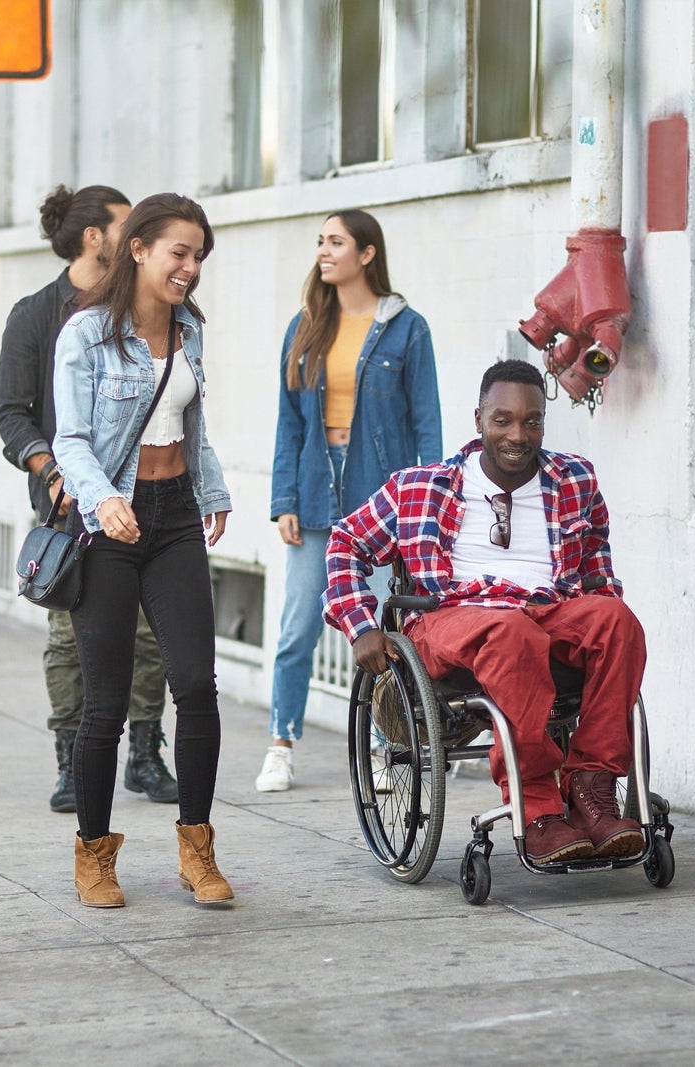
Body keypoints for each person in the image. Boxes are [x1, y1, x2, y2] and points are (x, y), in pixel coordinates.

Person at [323, 358, 647, 864]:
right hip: (452, 616)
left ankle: (591, 789)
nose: (518, 434)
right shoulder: (420, 487)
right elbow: (345, 543)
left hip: (548, 609)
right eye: (503, 420)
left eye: (532, 421)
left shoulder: (574, 480)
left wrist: (604, 633)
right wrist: (361, 625)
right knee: (509, 630)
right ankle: (537, 808)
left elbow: (598, 575)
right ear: (479, 421)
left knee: (617, 621)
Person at [51, 193, 234, 908]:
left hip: (177, 515)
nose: (188, 268)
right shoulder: (87, 334)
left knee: (195, 684)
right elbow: (70, 439)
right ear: (139, 250)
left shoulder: (189, 329)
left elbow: (191, 421)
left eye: (197, 256)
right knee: (106, 703)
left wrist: (213, 489)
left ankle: (197, 848)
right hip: (111, 525)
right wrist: (103, 498)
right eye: (178, 253)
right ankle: (94, 855)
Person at [0, 184, 179, 813]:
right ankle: (72, 763)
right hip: (68, 505)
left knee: (150, 631)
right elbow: (12, 416)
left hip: (143, 496)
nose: (138, 238)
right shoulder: (35, 315)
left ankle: (145, 754)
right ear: (96, 238)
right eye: (126, 226)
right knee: (70, 637)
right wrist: (52, 471)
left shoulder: (142, 308)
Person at [259, 210, 441, 792]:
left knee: (386, 626)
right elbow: (289, 424)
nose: (323, 251)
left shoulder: (406, 329)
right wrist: (284, 497)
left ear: (366, 254)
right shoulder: (305, 326)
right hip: (314, 491)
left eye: (335, 242)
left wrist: (428, 508)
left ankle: (389, 747)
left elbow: (427, 426)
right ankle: (281, 743)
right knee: (297, 627)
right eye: (320, 242)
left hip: (381, 499)